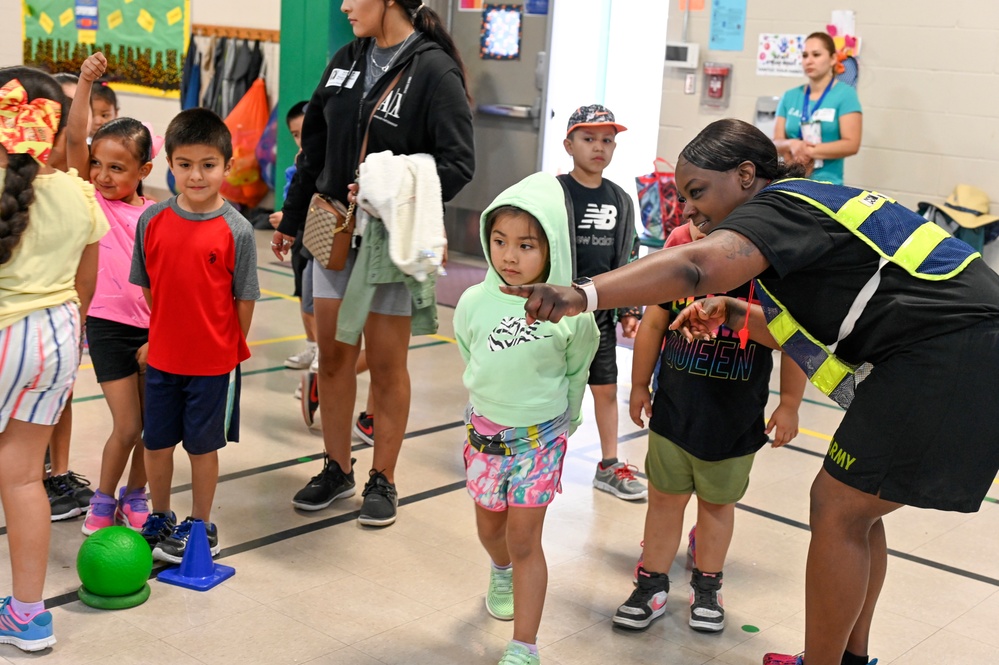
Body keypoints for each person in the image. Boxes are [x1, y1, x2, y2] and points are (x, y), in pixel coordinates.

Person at [503, 118, 999, 665]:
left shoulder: (779, 206)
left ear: (745, 176)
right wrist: (736, 310)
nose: (689, 210)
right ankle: (848, 658)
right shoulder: (802, 216)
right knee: (857, 512)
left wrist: (582, 293)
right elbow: (806, 331)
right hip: (954, 350)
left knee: (836, 508)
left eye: (697, 193)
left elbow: (696, 267)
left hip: (952, 353)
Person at [273, 0, 474, 527]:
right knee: (334, 358)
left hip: (390, 241)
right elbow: (311, 150)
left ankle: (382, 478)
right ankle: (336, 468)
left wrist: (392, 192)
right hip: (333, 232)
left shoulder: (433, 69)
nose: (343, 6)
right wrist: (293, 221)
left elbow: (458, 163)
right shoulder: (345, 58)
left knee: (386, 365)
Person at [612, 217, 804, 634]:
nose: (697, 223)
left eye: (709, 214)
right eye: (692, 212)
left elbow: (794, 340)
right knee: (663, 502)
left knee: (717, 508)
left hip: (733, 425)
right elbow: (652, 325)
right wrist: (640, 384)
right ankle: (652, 584)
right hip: (673, 416)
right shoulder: (679, 268)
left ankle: (707, 584)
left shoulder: (769, 279)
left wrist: (789, 403)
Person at [455, 172, 598, 665]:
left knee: (524, 540)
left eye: (525, 245)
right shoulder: (474, 301)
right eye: (499, 242)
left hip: (541, 442)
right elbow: (470, 353)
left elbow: (580, 364)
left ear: (551, 248)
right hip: (485, 438)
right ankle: (499, 570)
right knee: (492, 531)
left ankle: (525, 645)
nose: (510, 256)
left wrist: (569, 419)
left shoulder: (571, 314)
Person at [0, 67, 109, 651]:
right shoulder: (77, 191)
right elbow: (85, 284)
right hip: (55, 341)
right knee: (23, 480)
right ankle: (28, 614)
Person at [129, 107, 260, 563]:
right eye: (185, 165)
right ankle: (160, 516)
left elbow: (244, 299)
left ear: (226, 165)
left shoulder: (237, 230)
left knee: (202, 448)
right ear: (171, 165)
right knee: (156, 443)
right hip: (163, 359)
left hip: (212, 366)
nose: (196, 175)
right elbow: (149, 285)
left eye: (208, 165)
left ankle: (202, 525)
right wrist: (165, 332)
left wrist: (223, 348)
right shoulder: (152, 220)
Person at [67, 52, 157, 536]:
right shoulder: (89, 196)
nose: (103, 174)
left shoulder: (155, 216)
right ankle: (103, 498)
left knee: (152, 426)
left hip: (151, 331)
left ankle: (136, 494)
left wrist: (161, 331)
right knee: (127, 424)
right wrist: (84, 82)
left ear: (143, 169)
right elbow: (74, 139)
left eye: (117, 168)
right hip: (106, 325)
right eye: (97, 164)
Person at [558, 103, 645, 501]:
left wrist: (629, 309)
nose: (599, 147)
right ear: (569, 144)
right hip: (556, 315)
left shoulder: (620, 199)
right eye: (589, 138)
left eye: (607, 140)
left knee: (606, 389)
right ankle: (541, 454)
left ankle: (609, 464)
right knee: (552, 387)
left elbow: (629, 255)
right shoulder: (555, 192)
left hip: (600, 316)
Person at [773, 32, 861, 186]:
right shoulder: (789, 96)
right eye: (805, 55)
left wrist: (809, 151)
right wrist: (792, 145)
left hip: (827, 186)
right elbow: (776, 142)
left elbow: (851, 144)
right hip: (790, 183)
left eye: (816, 55)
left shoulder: (846, 95)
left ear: (833, 59)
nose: (809, 61)